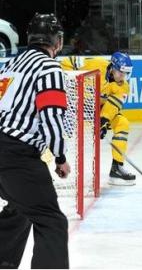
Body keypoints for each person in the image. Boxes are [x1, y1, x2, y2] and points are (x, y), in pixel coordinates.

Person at [0, 13, 70, 268]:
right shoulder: (49, 67)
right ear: (58, 41)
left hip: (4, 150)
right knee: (52, 221)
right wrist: (60, 157)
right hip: (15, 154)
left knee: (20, 208)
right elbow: (51, 118)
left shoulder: (12, 64)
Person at [61, 52, 136, 186]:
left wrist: (103, 123)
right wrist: (68, 81)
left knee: (122, 123)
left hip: (97, 111)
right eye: (121, 72)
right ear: (112, 67)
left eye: (126, 74)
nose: (123, 77)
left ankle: (117, 168)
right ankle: (48, 165)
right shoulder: (96, 63)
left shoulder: (123, 87)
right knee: (60, 131)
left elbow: (112, 107)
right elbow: (67, 62)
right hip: (74, 103)